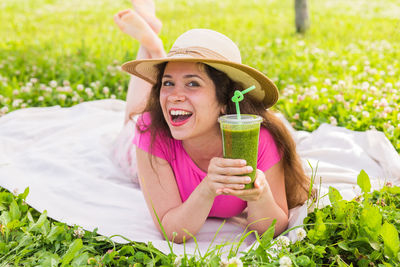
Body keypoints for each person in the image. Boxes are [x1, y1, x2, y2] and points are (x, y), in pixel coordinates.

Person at [113, 0, 314, 244]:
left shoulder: (257, 139)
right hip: (138, 153)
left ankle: (155, 48)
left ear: (224, 100)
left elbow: (271, 228)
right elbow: (173, 231)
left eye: (193, 83)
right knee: (132, 119)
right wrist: (208, 188)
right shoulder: (151, 132)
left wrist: (260, 197)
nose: (175, 94)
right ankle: (153, 48)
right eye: (167, 82)